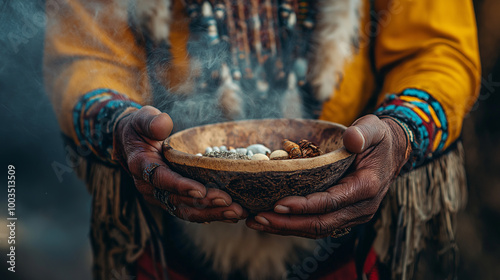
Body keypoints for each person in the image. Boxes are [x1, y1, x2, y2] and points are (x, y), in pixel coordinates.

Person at [44, 0, 480, 279]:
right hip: (167, 233)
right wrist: (120, 124)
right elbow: (87, 54)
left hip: (348, 231)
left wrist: (401, 131)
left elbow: (436, 49)